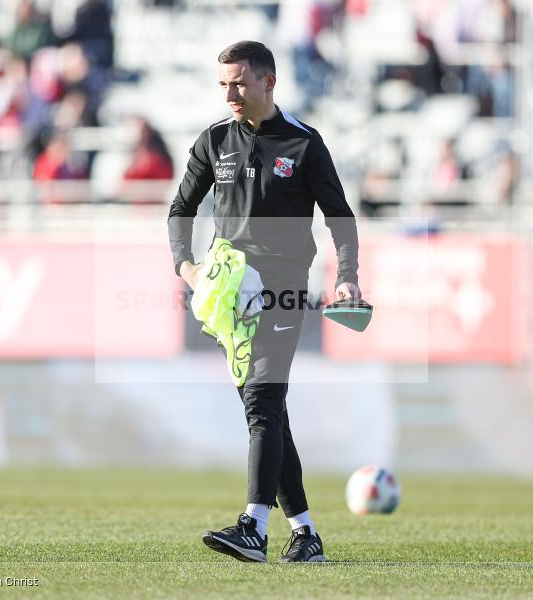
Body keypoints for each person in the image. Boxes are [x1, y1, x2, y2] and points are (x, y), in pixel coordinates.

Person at [167, 40, 361, 563]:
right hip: (231, 291)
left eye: (239, 83)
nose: (230, 93)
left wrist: (347, 277)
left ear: (268, 83)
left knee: (262, 404)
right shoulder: (213, 141)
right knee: (268, 412)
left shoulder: (303, 143)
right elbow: (180, 209)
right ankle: (305, 534)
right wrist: (187, 267)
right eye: (223, 84)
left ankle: (253, 526)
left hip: (283, 285)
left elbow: (340, 216)